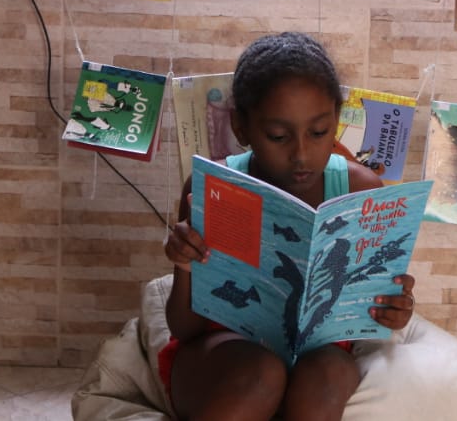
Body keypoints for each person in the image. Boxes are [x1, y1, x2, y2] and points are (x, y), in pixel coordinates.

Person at [161, 31, 416, 420]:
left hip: (317, 356)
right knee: (261, 373)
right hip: (223, 356)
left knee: (330, 372)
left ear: (336, 117)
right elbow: (184, 327)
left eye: (318, 132)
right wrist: (183, 265)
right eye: (278, 136)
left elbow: (362, 325)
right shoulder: (209, 188)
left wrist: (392, 308)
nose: (301, 154)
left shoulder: (359, 189)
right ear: (242, 127)